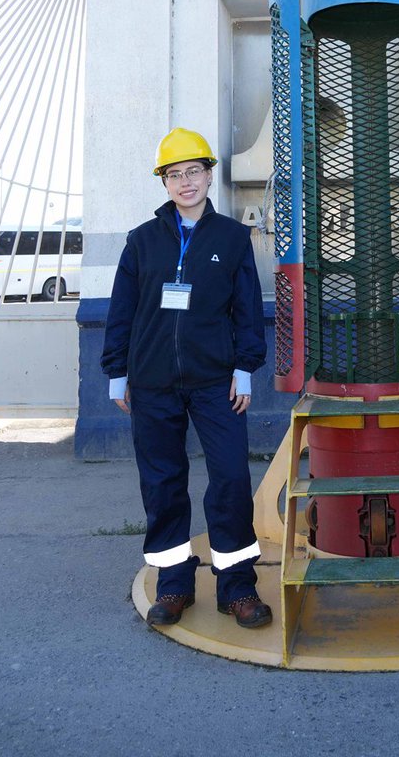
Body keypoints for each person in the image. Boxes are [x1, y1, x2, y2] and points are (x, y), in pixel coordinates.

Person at [101, 127, 272, 629]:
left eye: (193, 171)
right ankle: (174, 586)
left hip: (216, 383)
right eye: (174, 175)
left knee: (231, 481)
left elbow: (247, 311)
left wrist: (244, 368)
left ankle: (237, 588)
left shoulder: (233, 238)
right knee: (162, 483)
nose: (185, 182)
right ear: (165, 183)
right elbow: (122, 311)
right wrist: (117, 371)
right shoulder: (142, 241)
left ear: (208, 175)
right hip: (152, 384)